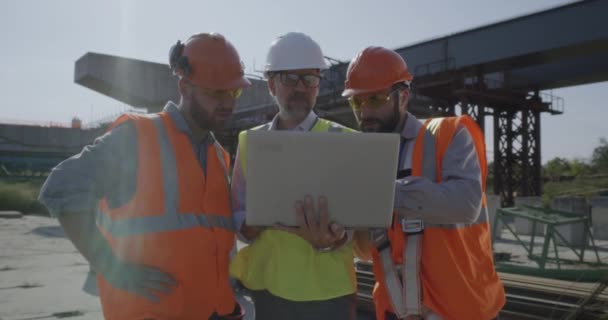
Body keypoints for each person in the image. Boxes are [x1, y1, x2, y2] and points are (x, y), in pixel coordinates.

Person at [38, 33, 250, 320]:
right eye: (216, 93)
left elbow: (216, 238)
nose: (227, 102)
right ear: (185, 87)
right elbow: (62, 187)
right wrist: (110, 265)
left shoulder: (219, 157)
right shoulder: (137, 137)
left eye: (233, 93)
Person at [344, 46, 505, 320]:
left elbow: (465, 202)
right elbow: (365, 250)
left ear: (403, 97)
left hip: (460, 310)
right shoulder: (363, 161)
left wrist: (383, 194)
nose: (365, 111)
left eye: (375, 99)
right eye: (357, 102)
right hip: (397, 310)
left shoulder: (448, 135)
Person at [229, 32, 357, 320]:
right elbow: (237, 216)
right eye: (290, 79)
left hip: (330, 294)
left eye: (309, 79)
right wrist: (251, 224)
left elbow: (362, 227)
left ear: (318, 85)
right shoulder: (249, 142)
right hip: (269, 292)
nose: (301, 88)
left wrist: (336, 237)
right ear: (272, 84)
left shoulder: (347, 141)